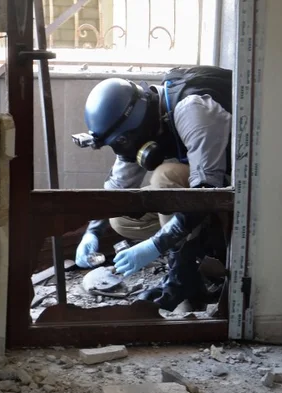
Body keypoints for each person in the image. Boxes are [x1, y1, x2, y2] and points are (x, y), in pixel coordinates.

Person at [71, 65, 232, 312]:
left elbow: (206, 193)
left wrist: (155, 246)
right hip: (206, 190)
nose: (125, 150)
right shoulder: (147, 120)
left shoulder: (193, 110)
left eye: (123, 141)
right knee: (121, 220)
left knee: (164, 178)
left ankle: (182, 279)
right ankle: (193, 262)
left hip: (241, 187)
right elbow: (116, 190)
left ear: (137, 125)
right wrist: (92, 232)